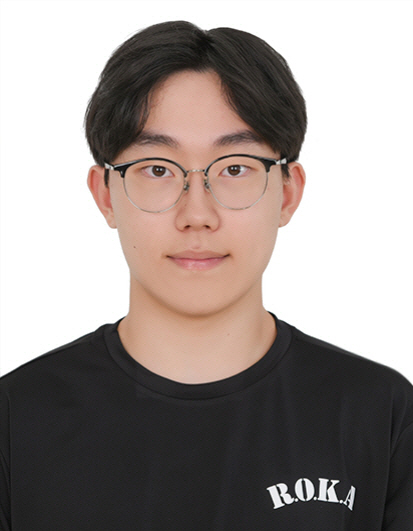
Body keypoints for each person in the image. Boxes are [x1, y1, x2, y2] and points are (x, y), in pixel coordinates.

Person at [0, 20, 412, 530]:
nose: (197, 214)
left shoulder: (379, 413)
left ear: (288, 192)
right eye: (157, 169)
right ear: (105, 194)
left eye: (234, 168)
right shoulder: (17, 418)